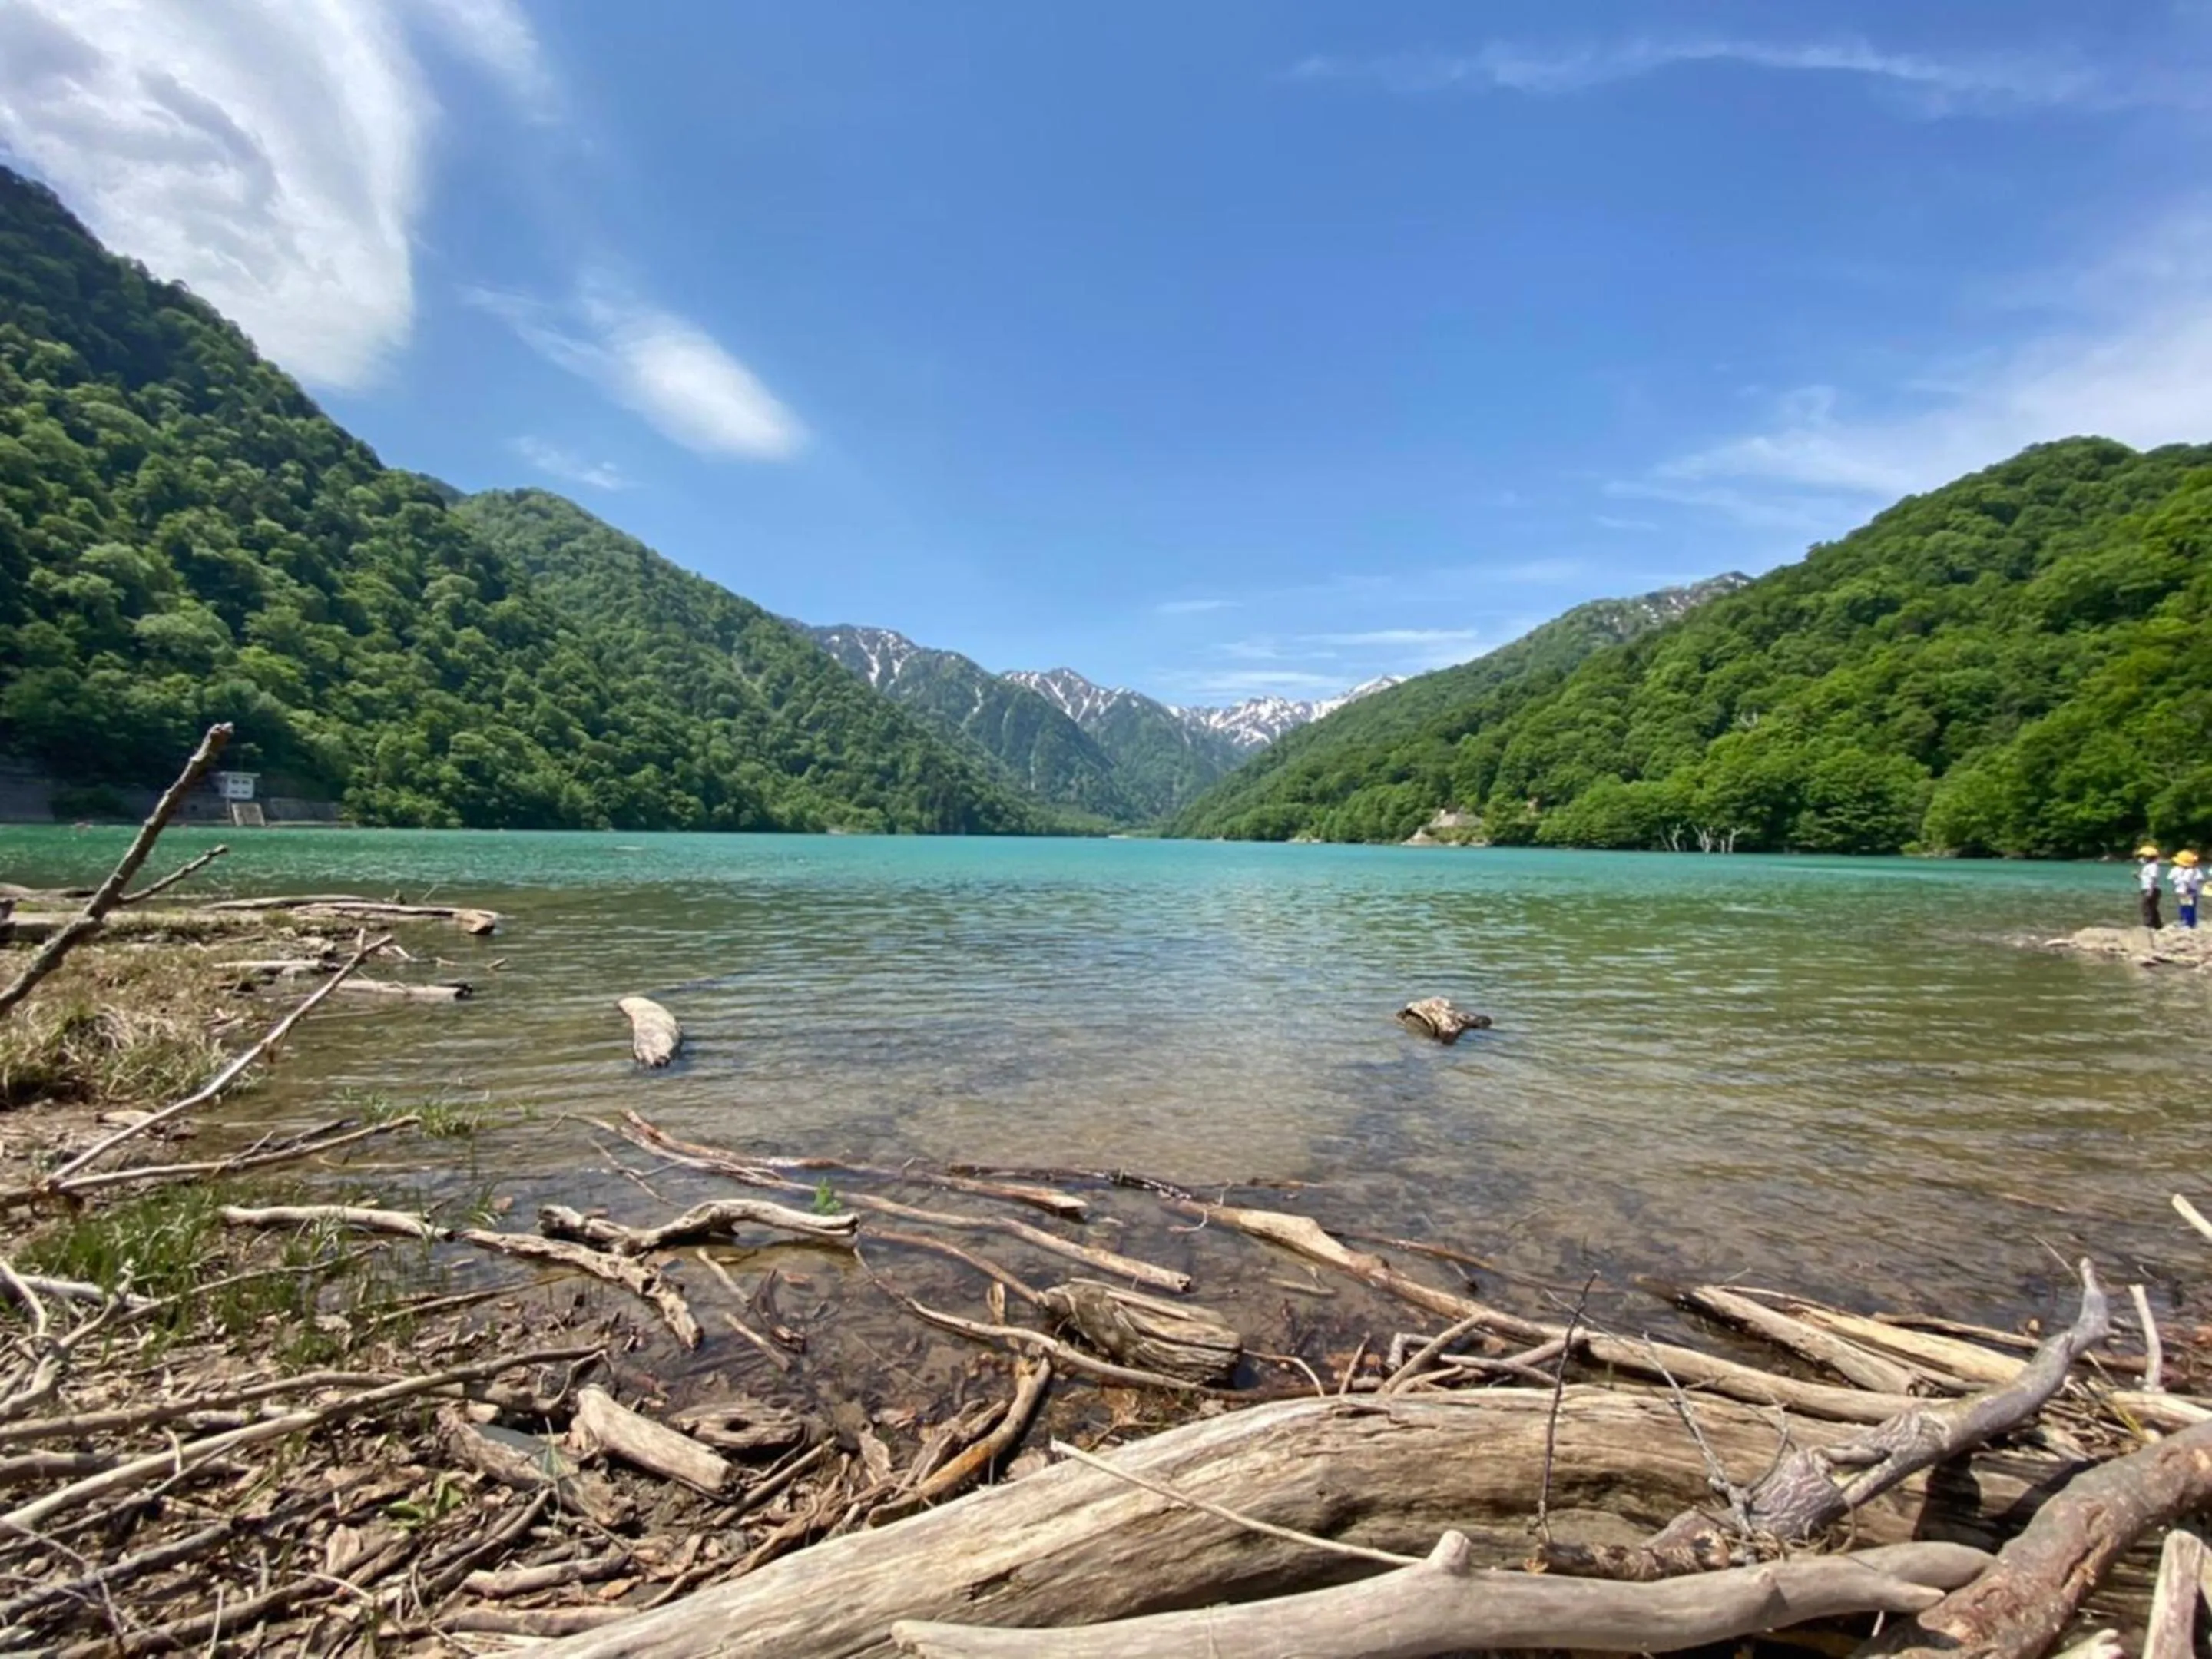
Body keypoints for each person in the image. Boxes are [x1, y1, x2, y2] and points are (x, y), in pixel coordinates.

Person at [2175, 848, 2204, 930]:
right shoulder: (2188, 871)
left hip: (2188, 891)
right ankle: (2187, 922)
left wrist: (2186, 890)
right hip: (2188, 891)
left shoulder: (2190, 871)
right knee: (2185, 907)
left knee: (2188, 908)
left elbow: (2187, 882)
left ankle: (2189, 924)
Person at [2139, 844, 2164, 930]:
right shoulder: (2148, 866)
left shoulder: (2153, 866)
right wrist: (2137, 876)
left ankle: (2148, 924)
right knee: (2152, 907)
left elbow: (2153, 879)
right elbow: (2145, 879)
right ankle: (2157, 924)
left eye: (2144, 856)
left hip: (2151, 889)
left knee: (2146, 907)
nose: (2142, 858)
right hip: (2148, 888)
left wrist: (2150, 891)